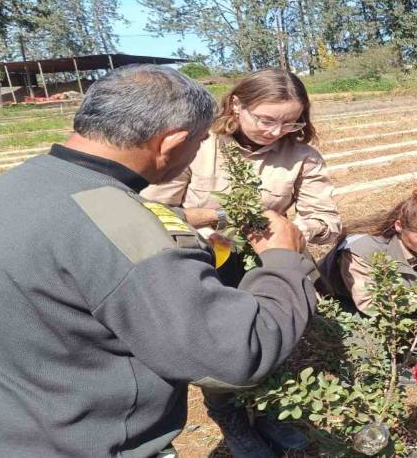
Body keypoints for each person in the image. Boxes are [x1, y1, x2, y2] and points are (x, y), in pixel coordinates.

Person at [0, 65, 317, 458]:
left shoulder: (0, 191)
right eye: (199, 141)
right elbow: (239, 354)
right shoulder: (125, 226)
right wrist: (282, 261)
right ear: (172, 144)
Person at [142, 68, 339, 456]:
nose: (275, 131)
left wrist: (289, 229)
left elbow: (328, 221)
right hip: (205, 261)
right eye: (266, 119)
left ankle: (271, 410)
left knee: (275, 337)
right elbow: (152, 209)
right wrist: (215, 220)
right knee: (219, 346)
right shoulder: (199, 146)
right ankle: (229, 417)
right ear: (236, 104)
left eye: (290, 121)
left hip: (266, 261)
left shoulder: (301, 156)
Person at [316, 187, 417, 316]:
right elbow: (370, 305)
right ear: (399, 226)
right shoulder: (362, 251)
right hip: (339, 303)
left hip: (403, 301)